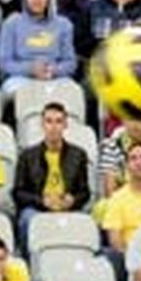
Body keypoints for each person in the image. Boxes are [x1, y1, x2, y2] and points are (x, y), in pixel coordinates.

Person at [13, 101, 92, 247]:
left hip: (67, 207)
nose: (53, 127)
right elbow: (18, 193)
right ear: (42, 125)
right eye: (49, 121)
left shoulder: (78, 154)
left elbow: (85, 192)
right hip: (38, 208)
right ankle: (29, 260)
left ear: (65, 125)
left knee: (87, 221)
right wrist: (42, 201)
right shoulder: (27, 155)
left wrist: (72, 200)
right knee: (27, 219)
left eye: (58, 122)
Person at [0, 0, 78, 102]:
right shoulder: (11, 23)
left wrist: (52, 70)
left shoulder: (63, 24)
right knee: (12, 90)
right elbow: (5, 63)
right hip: (21, 78)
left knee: (73, 91)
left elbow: (70, 63)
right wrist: (31, 69)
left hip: (55, 76)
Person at [102, 139, 141, 263]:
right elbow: (115, 240)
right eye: (133, 158)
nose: (138, 162)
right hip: (128, 258)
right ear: (127, 166)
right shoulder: (117, 198)